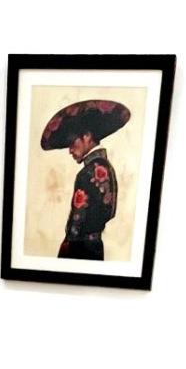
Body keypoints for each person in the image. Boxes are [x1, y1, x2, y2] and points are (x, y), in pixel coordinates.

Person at [40, 100, 130, 260]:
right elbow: (110, 213)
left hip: (79, 248)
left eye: (72, 143)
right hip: (96, 247)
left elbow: (77, 219)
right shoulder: (108, 168)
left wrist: (67, 243)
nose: (70, 150)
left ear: (87, 137)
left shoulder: (85, 174)